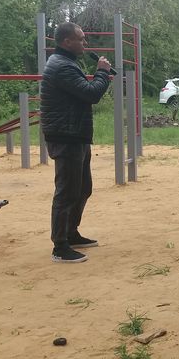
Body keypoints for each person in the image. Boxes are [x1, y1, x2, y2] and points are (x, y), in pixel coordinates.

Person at [40, 22, 112, 263]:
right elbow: (91, 94)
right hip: (66, 136)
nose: (85, 42)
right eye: (81, 39)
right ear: (66, 42)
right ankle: (60, 247)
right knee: (67, 192)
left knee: (82, 188)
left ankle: (71, 233)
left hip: (75, 134)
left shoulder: (66, 62)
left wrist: (100, 75)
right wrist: (102, 72)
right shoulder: (62, 66)